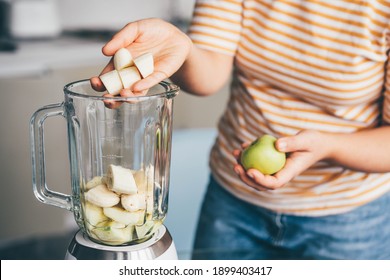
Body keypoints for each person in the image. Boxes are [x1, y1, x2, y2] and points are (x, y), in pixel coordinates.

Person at [90, 0, 390, 259]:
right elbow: (209, 73)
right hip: (233, 203)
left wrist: (329, 147)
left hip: (348, 219)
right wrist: (181, 48)